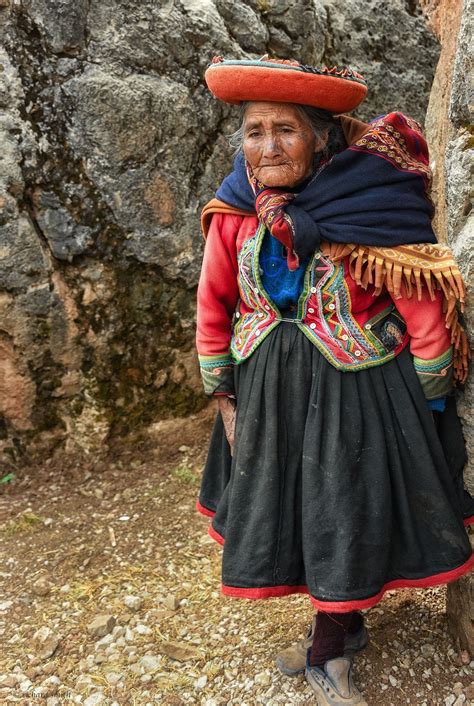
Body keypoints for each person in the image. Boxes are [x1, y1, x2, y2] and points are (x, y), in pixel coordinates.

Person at [195, 56, 474, 706]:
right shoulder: (236, 208)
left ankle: (331, 648)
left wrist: (433, 392)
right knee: (296, 513)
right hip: (267, 393)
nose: (268, 147)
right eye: (255, 131)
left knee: (342, 507)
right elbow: (214, 300)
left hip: (358, 391)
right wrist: (223, 391)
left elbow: (418, 292)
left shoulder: (366, 198)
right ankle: (341, 634)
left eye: (285, 130)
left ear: (321, 135)